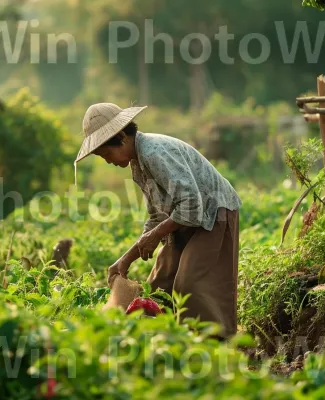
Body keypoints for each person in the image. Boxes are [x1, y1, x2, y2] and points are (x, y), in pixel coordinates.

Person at [74, 103, 242, 338]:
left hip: (213, 214)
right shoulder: (138, 165)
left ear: (121, 137)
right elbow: (156, 216)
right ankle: (163, 341)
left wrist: (154, 236)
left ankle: (212, 346)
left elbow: (193, 206)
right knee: (159, 286)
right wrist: (126, 259)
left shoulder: (154, 152)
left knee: (190, 286)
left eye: (106, 153)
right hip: (184, 220)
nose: (108, 161)